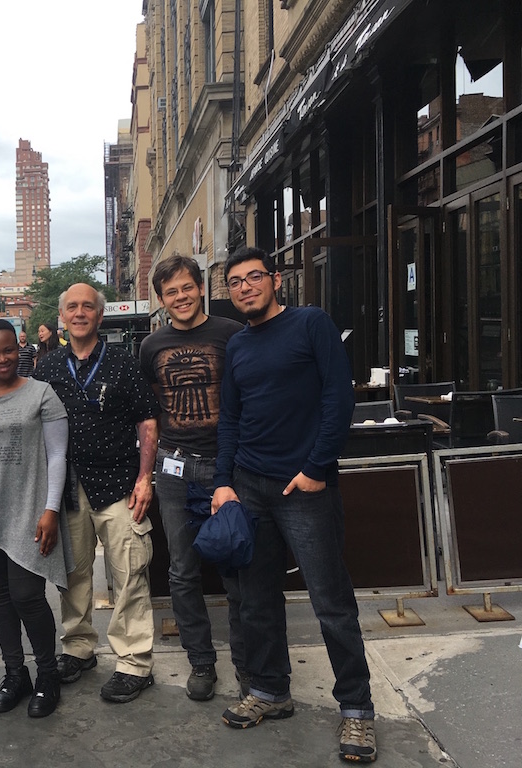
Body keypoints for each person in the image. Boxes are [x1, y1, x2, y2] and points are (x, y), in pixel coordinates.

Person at [211, 246, 375, 763]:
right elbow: (231, 421)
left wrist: (316, 468)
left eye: (253, 277)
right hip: (250, 488)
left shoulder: (311, 324)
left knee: (331, 604)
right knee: (256, 600)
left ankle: (356, 711)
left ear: (275, 280)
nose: (244, 287)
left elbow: (338, 398)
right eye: (235, 282)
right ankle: (269, 692)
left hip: (303, 489)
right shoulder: (237, 345)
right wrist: (223, 482)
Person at [33, 283, 160, 703]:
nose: (81, 312)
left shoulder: (124, 362)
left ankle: (134, 662)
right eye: (72, 306)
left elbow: (147, 421)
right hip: (67, 489)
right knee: (73, 575)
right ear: (62, 317)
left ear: (100, 317)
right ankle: (79, 646)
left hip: (120, 484)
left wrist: (145, 478)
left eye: (88, 306)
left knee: (129, 573)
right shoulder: (47, 367)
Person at [138, 254, 247, 702]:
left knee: (239, 563)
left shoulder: (232, 335)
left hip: (227, 465)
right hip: (174, 467)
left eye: (186, 288)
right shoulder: (150, 346)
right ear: (161, 299)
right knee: (182, 570)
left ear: (200, 288)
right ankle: (201, 661)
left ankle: (248, 662)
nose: (180, 297)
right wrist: (145, 473)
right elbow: (149, 415)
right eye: (170, 292)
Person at [0, 319, 69, 717]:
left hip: (31, 513)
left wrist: (51, 509)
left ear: (18, 351)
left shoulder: (42, 394)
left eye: (8, 350)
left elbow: (57, 455)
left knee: (27, 597)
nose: (2, 358)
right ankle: (14, 673)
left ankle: (47, 674)